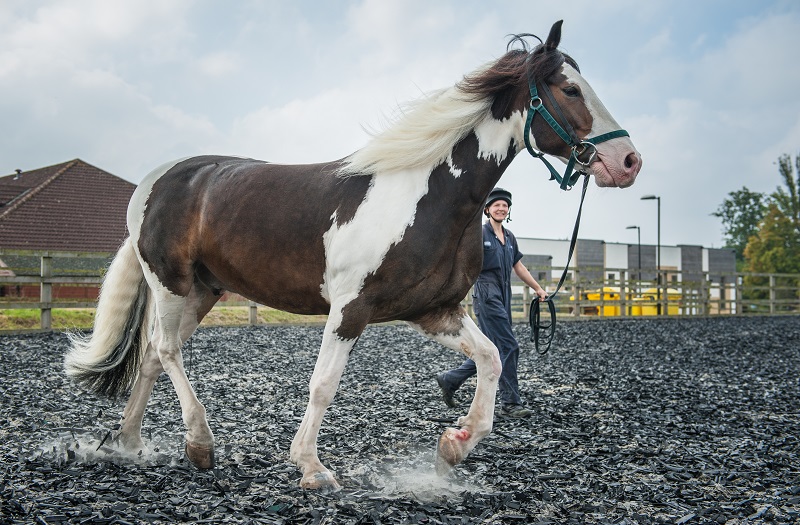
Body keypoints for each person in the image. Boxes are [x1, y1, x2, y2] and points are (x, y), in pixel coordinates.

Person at [436, 187, 548, 418]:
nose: (501, 208)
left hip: (504, 293)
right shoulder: (479, 234)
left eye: (505, 205)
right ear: (487, 209)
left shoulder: (510, 237)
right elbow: (462, 262)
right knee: (509, 346)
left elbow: (518, 266)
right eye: (496, 205)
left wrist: (537, 288)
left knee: (493, 349)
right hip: (486, 294)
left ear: (508, 211)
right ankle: (510, 403)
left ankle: (451, 379)